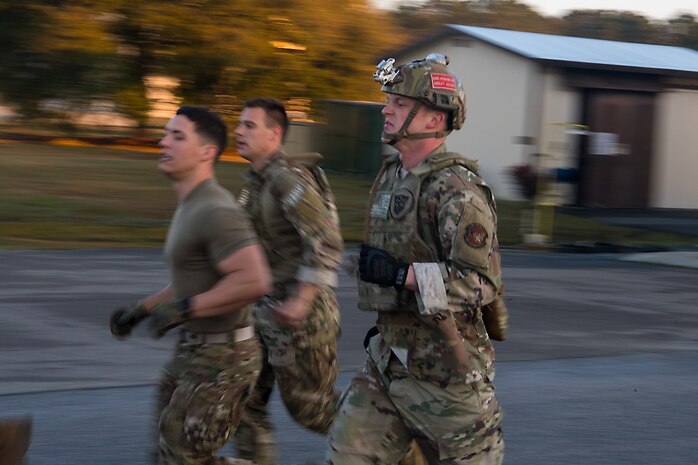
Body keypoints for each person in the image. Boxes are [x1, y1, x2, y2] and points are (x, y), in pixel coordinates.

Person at [326, 54, 505, 465]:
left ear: (436, 119)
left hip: (448, 376)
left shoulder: (457, 190)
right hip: (388, 362)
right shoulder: (392, 175)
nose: (387, 109)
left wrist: (402, 275)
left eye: (401, 104)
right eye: (390, 100)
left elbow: (479, 283)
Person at [109, 106, 272, 465]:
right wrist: (143, 309)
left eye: (177, 136)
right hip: (192, 354)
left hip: (225, 360)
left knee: (185, 458)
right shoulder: (190, 204)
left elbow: (254, 280)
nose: (163, 141)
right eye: (166, 133)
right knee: (168, 453)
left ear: (206, 151)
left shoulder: (216, 210)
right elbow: (193, 278)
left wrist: (185, 309)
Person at [232, 98, 344, 465]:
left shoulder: (286, 179)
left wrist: (301, 298)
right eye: (239, 124)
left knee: (313, 411)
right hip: (264, 313)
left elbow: (326, 240)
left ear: (274, 133)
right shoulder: (256, 181)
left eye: (249, 125)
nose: (239, 131)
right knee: (243, 402)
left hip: (302, 316)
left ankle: (405, 452)